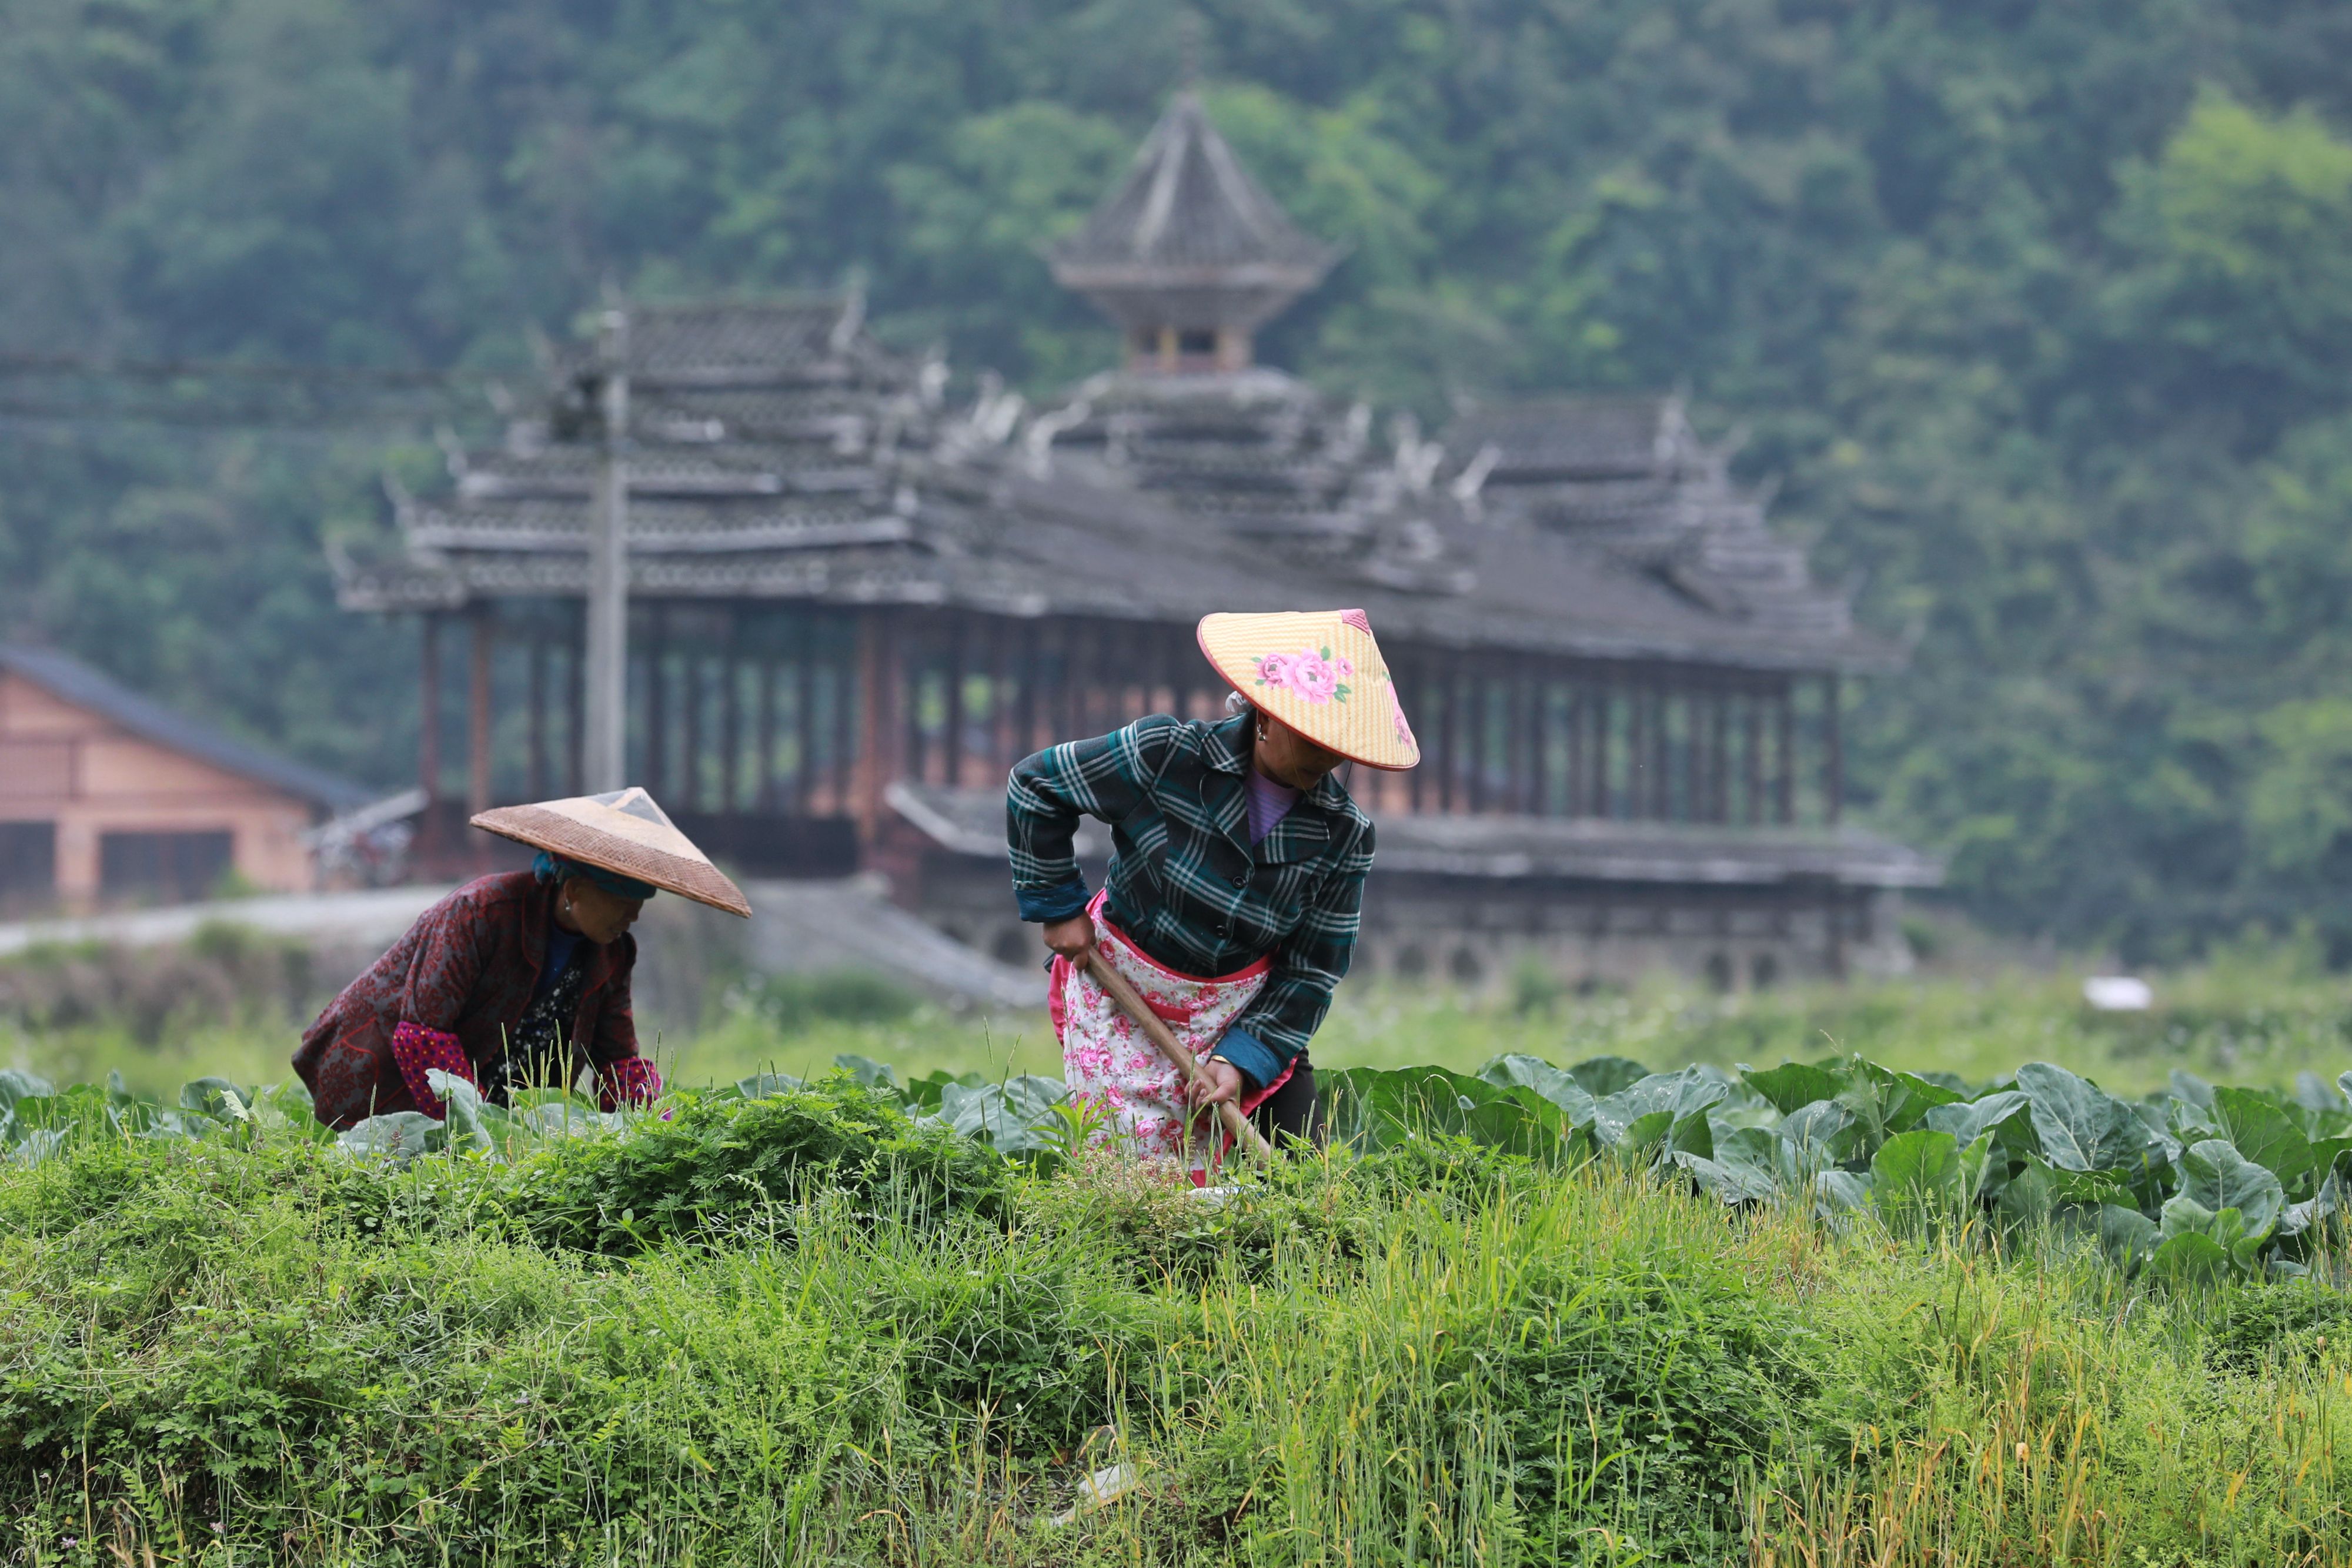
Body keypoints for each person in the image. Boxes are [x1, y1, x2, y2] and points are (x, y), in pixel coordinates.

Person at [1008, 608, 1419, 1173]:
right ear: (1266, 718)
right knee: (1129, 1186)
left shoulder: (1345, 836)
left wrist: (1242, 1059)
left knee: (1303, 1175)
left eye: (1339, 745)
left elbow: (1312, 971)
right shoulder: (1166, 755)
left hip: (1239, 1012)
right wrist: (1058, 908)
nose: (1328, 757)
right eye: (1313, 738)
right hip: (1121, 989)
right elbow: (1037, 785)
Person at [295, 787, 750, 1128]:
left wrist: (659, 1126)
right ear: (573, 890)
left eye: (642, 901)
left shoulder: (614, 952)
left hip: (490, 1094)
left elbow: (617, 1060)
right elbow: (423, 1036)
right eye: (622, 900)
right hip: (383, 1085)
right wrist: (480, 1131)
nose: (633, 914)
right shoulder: (478, 914)